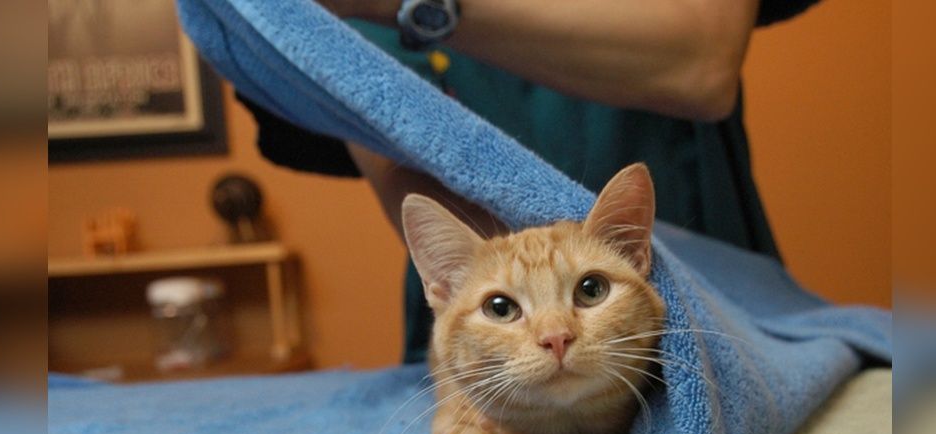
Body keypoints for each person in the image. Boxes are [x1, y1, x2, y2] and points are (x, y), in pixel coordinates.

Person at [239, 0, 821, 363]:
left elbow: (703, 63)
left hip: (694, 293)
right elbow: (392, 151)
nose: (555, 333)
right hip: (489, 336)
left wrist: (407, 3)